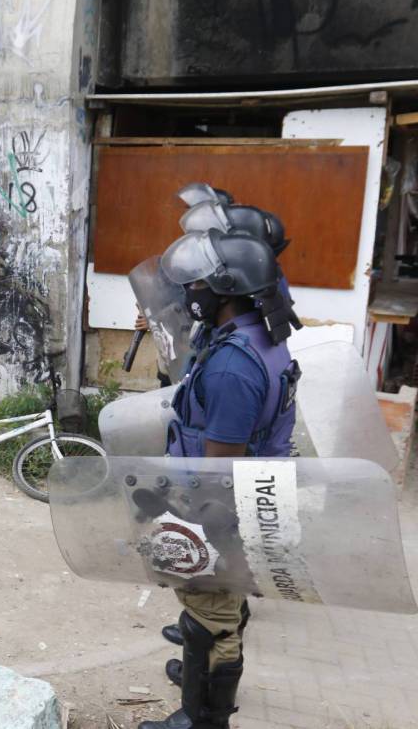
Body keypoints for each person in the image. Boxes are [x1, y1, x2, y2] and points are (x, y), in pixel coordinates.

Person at [139, 228, 299, 729]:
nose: (190, 295)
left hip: (221, 506)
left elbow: (217, 470)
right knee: (218, 613)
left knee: (211, 619)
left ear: (226, 290)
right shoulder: (258, 336)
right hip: (251, 497)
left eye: (198, 286)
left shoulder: (232, 367)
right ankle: (201, 703)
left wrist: (181, 522)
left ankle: (201, 720)